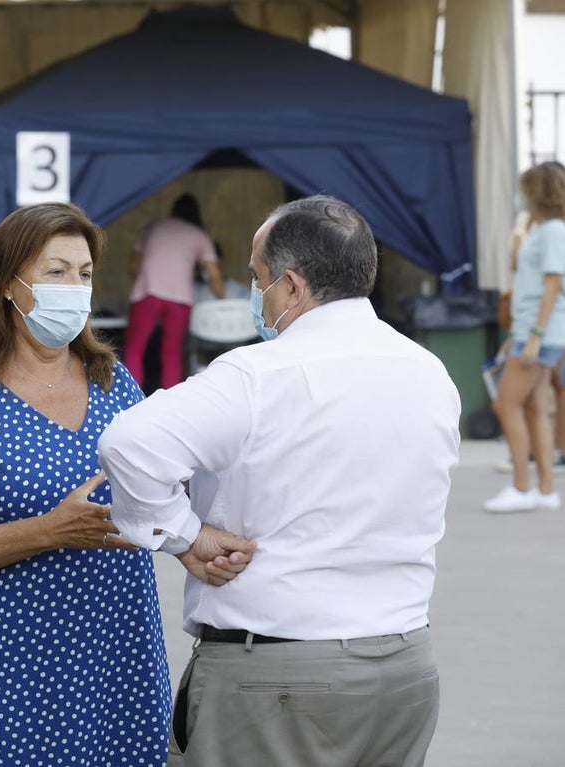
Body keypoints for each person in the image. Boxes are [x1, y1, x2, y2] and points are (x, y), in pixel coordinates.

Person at [99, 195, 460, 767]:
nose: (254, 293)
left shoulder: (256, 375)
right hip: (404, 665)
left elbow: (130, 443)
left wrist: (184, 536)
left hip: (277, 675)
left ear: (291, 287)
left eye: (257, 277)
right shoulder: (429, 372)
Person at [0, 202, 253, 767]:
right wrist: (48, 531)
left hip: (116, 655)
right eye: (55, 272)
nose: (74, 287)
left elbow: (161, 490)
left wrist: (191, 541)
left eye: (84, 273)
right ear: (7, 284)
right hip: (8, 670)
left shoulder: (114, 381)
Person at [484, 161, 565, 513]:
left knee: (506, 404)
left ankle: (521, 486)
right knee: (534, 408)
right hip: (538, 331)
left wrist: (531, 336)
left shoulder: (552, 232)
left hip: (541, 333)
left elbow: (552, 285)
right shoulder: (546, 229)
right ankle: (544, 489)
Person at [124, 193, 222, 389]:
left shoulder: (155, 227)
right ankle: (170, 402)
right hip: (180, 298)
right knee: (172, 353)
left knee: (135, 349)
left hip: (148, 291)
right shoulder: (199, 235)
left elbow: (134, 263)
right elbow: (214, 274)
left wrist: (141, 280)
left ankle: (130, 399)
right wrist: (222, 300)